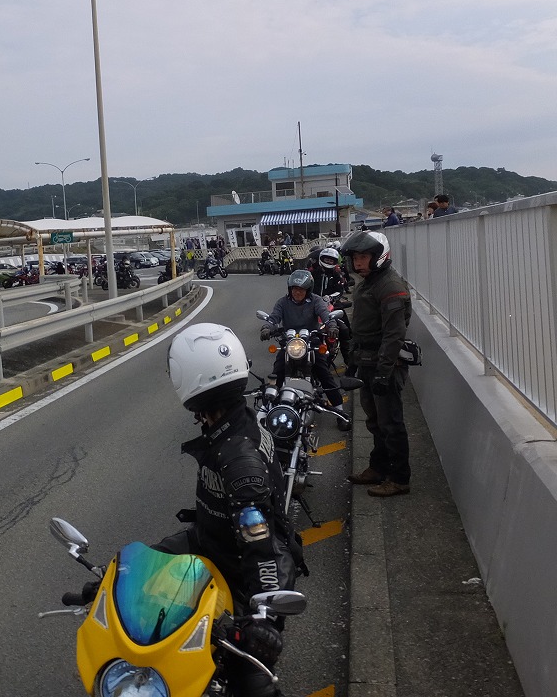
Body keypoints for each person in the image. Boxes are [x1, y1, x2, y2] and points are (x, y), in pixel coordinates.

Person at [160, 323, 298, 696]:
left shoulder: (240, 460)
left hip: (243, 573)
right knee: (136, 563)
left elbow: (259, 542)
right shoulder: (235, 422)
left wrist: (262, 616)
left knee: (251, 683)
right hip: (211, 542)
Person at [339, 231, 412, 497]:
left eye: (363, 257)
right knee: (375, 421)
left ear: (378, 257)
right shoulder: (367, 284)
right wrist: (352, 359)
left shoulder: (390, 286)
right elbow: (361, 326)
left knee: (391, 423)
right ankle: (378, 467)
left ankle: (399, 478)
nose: (358, 262)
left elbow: (394, 334)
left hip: (385, 365)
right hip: (367, 361)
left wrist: (384, 372)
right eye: (355, 258)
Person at [260, 270, 350, 429]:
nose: (297, 292)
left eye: (301, 289)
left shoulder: (316, 301)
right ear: (290, 289)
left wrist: (332, 326)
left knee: (324, 373)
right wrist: (267, 328)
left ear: (308, 290)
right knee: (277, 372)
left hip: (310, 342)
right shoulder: (283, 302)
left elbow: (326, 315)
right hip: (289, 343)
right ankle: (265, 409)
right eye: (294, 289)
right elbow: (274, 318)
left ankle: (340, 411)